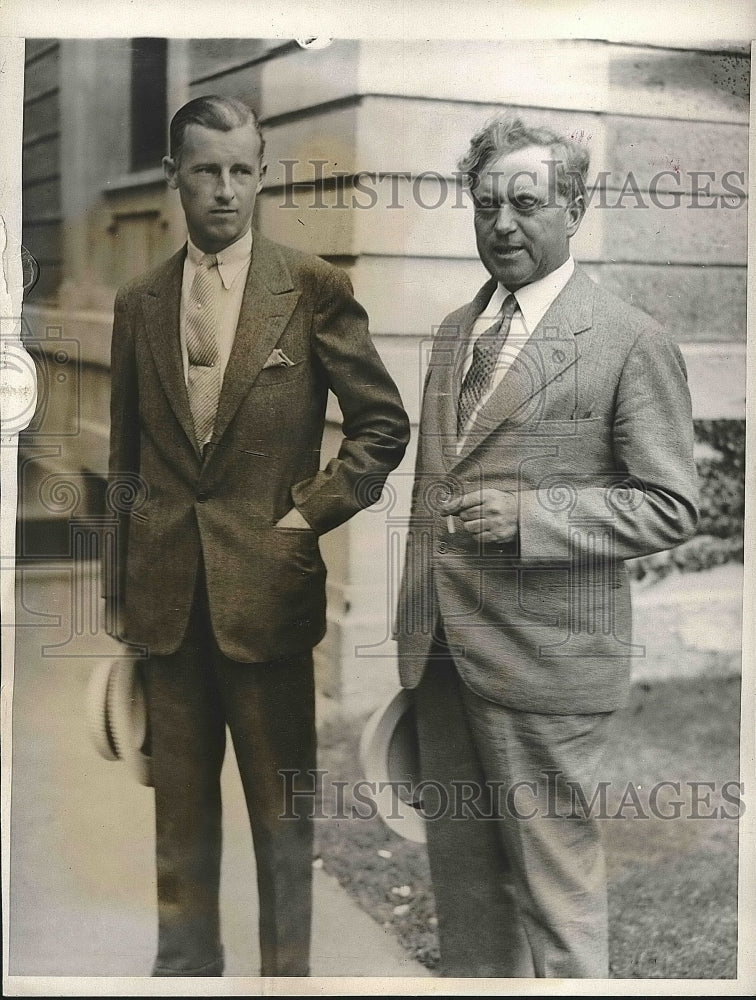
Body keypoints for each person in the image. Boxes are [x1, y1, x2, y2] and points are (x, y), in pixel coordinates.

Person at [105, 95, 410, 977]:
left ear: (262, 175)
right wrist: (122, 609)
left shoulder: (310, 286)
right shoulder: (139, 301)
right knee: (179, 821)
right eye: (206, 171)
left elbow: (380, 426)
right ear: (174, 178)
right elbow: (125, 461)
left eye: (242, 171)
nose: (226, 191)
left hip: (268, 598)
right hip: (168, 609)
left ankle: (288, 978)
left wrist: (306, 514)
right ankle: (185, 968)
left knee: (283, 817)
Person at [395, 115, 699, 978]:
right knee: (468, 904)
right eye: (486, 204)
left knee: (557, 907)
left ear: (575, 207)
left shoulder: (629, 340)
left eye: (525, 203)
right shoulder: (458, 329)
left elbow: (672, 504)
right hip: (445, 657)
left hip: (549, 667)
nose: (502, 223)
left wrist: (536, 517)